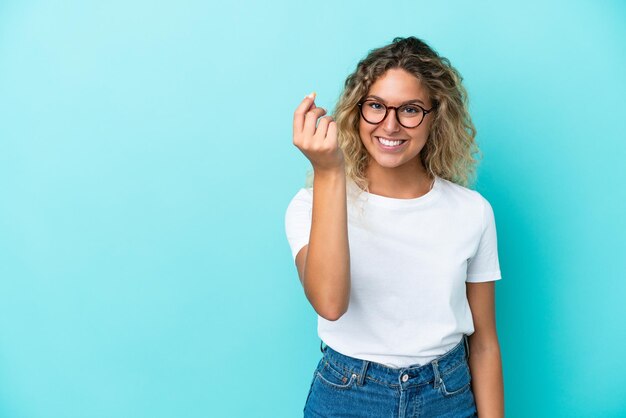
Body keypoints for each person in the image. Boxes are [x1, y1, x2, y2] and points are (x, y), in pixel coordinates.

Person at [285, 36, 504, 417]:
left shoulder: (473, 211)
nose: (391, 124)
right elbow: (330, 304)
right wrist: (330, 171)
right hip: (347, 396)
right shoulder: (309, 205)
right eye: (376, 106)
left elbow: (484, 342)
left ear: (437, 115)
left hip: (446, 395)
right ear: (357, 111)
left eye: (410, 109)